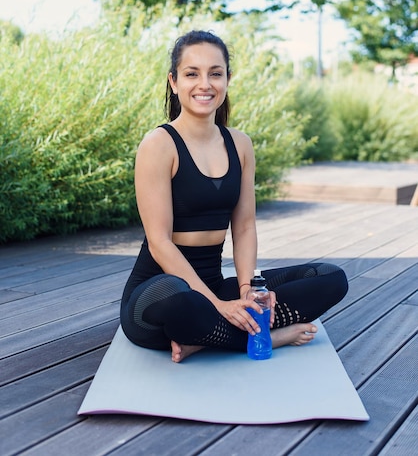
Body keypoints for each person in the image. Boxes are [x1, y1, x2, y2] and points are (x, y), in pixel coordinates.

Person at [120, 30, 348, 363]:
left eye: (215, 73)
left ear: (228, 78)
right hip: (161, 293)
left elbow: (243, 228)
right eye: (192, 74)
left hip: (213, 285)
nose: (205, 84)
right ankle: (268, 336)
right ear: (173, 81)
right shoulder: (159, 144)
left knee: (330, 278)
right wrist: (219, 306)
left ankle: (208, 337)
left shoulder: (240, 144)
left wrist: (247, 292)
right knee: (184, 301)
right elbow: (160, 243)